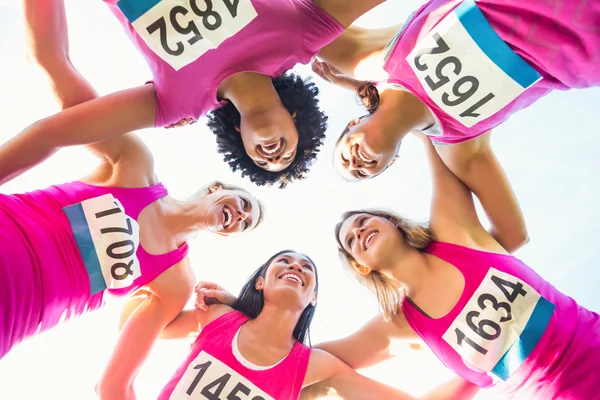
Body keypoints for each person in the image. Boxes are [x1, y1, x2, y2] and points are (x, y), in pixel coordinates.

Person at [0, 2, 262, 384]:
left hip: (17, 314)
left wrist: (240, 307)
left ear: (229, 235)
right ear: (215, 189)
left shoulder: (176, 281)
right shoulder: (135, 165)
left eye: (245, 224)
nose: (240, 215)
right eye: (244, 205)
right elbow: (53, 63)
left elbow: (122, 375)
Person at [0, 0, 390, 189]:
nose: (275, 153)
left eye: (265, 160)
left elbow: (50, 133)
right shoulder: (302, 35)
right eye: (288, 151)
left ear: (241, 139)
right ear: (296, 118)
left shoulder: (175, 103)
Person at [326, 134, 600, 398]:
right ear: (361, 267)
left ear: (392, 221)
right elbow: (313, 362)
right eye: (350, 241)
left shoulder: (451, 232)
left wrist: (403, 126)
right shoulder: (400, 324)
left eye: (363, 222)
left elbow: (436, 138)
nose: (359, 233)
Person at [314, 0, 600, 251]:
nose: (356, 164)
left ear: (353, 124)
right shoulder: (457, 145)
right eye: (362, 173)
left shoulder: (369, 60)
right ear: (391, 162)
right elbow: (513, 237)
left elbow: (295, 21)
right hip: (588, 46)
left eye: (344, 157)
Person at [139, 250, 475, 400]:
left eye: (307, 268)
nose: (295, 267)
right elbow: (138, 320)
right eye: (284, 261)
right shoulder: (216, 318)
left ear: (313, 297)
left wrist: (485, 368)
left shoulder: (315, 367)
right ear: (260, 282)